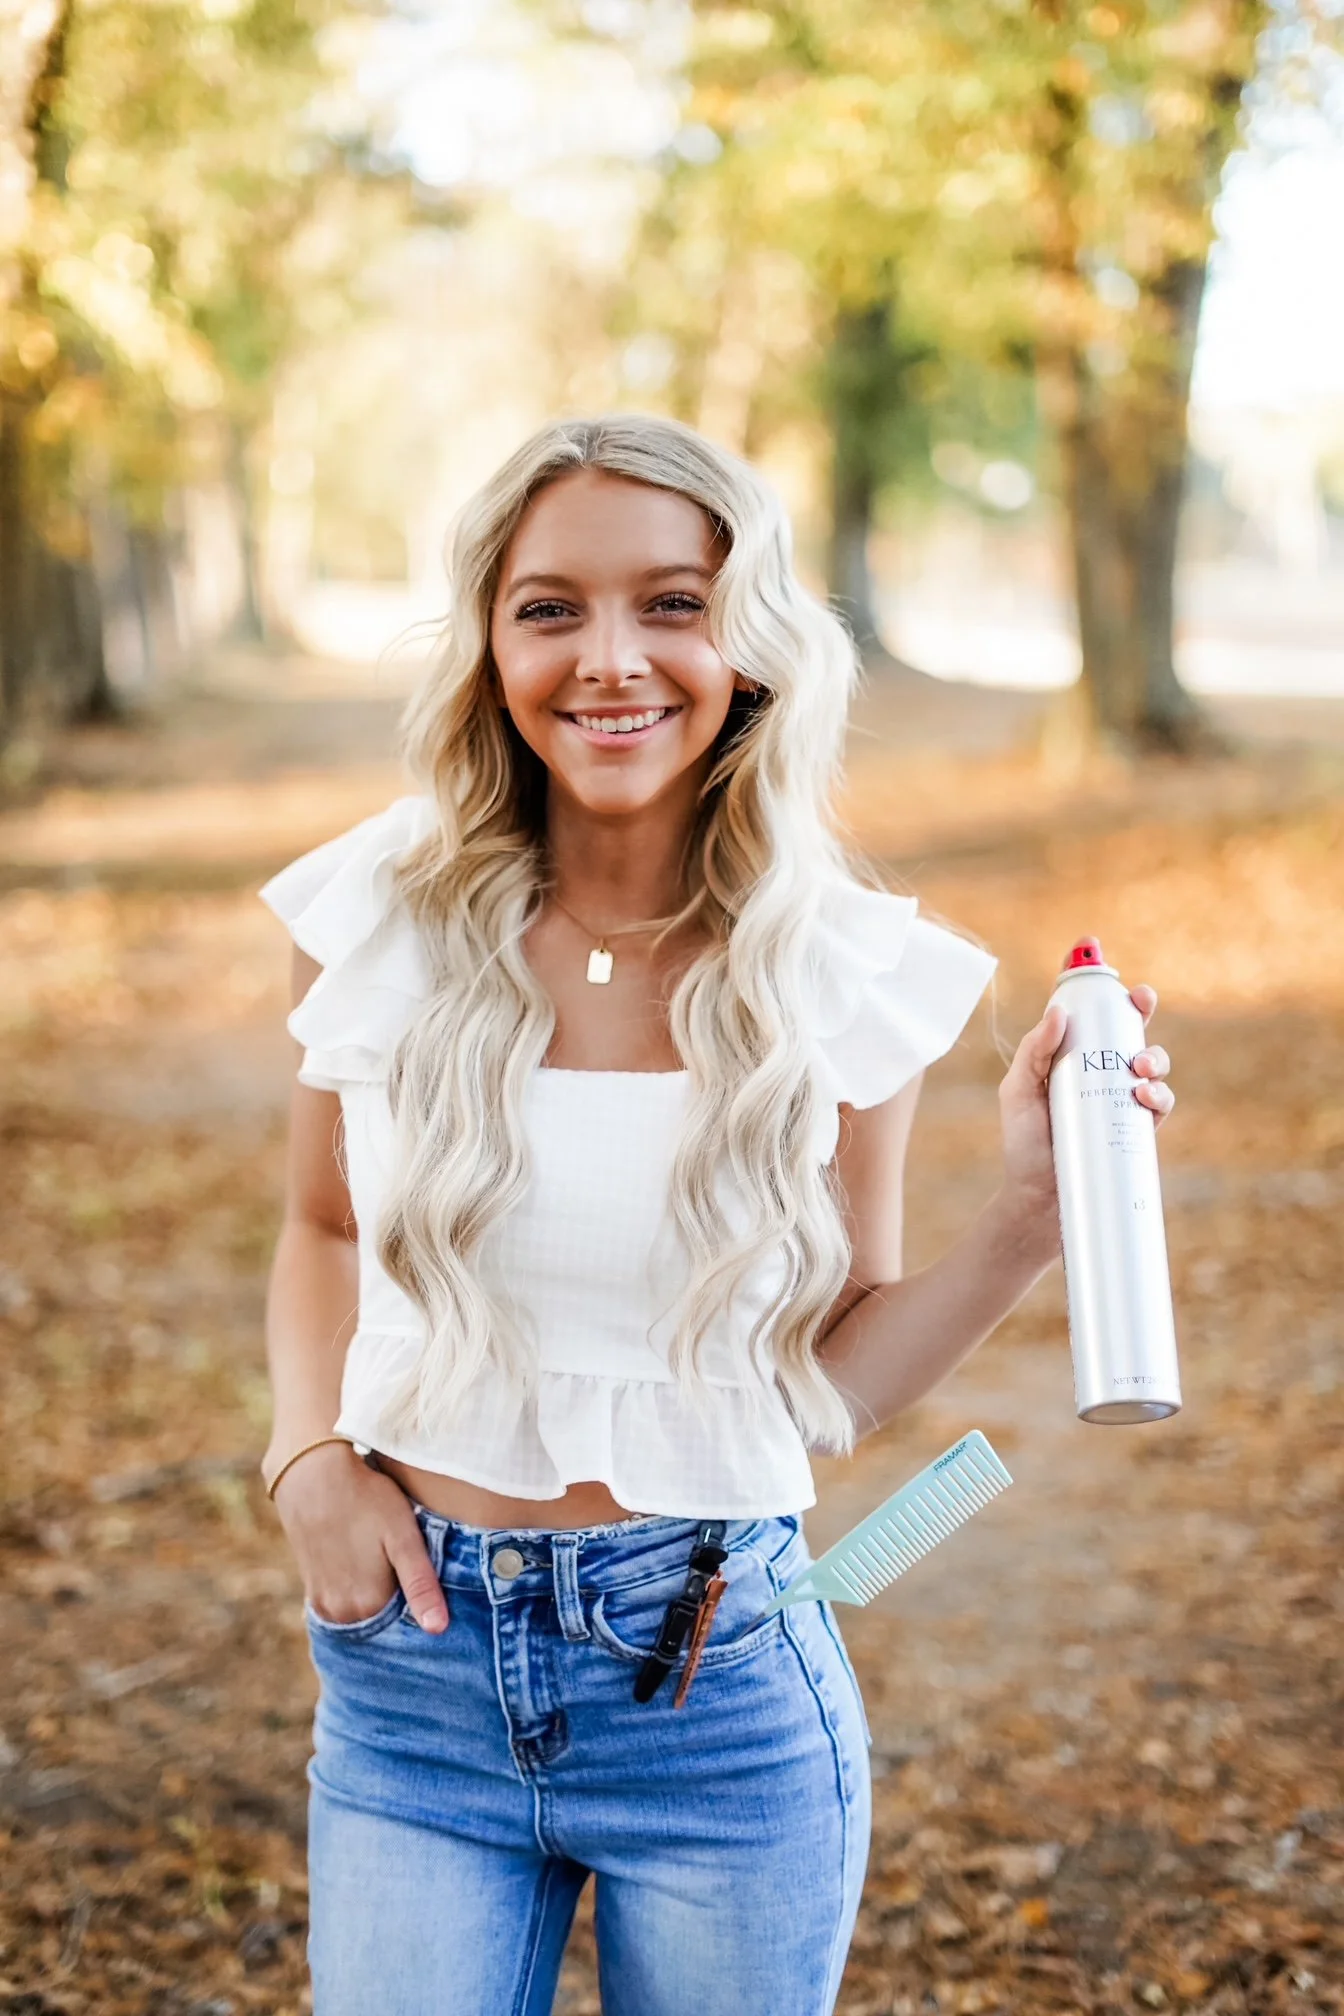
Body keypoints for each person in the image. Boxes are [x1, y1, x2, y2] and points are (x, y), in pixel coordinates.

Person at [257, 414, 1174, 2016]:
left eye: (673, 603)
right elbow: (325, 1230)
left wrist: (1032, 1214)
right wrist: (305, 1461)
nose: (613, 658)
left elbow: (834, 1380)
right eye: (552, 607)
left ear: (751, 638)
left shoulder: (840, 969)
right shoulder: (370, 917)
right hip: (415, 1700)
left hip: (718, 1689)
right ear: (487, 641)